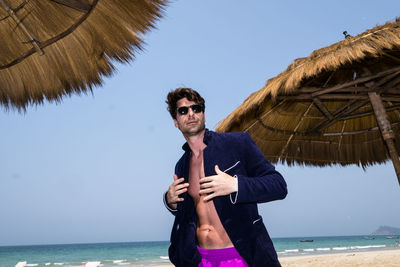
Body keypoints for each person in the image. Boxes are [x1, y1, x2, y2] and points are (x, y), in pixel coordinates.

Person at [163, 88, 287, 267]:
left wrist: (236, 185)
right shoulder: (181, 165)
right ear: (176, 121)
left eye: (196, 108)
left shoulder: (237, 143)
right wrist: (170, 201)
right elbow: (190, 211)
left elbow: (278, 185)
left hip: (240, 255)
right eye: (183, 110)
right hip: (200, 259)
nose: (191, 114)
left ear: (203, 114)